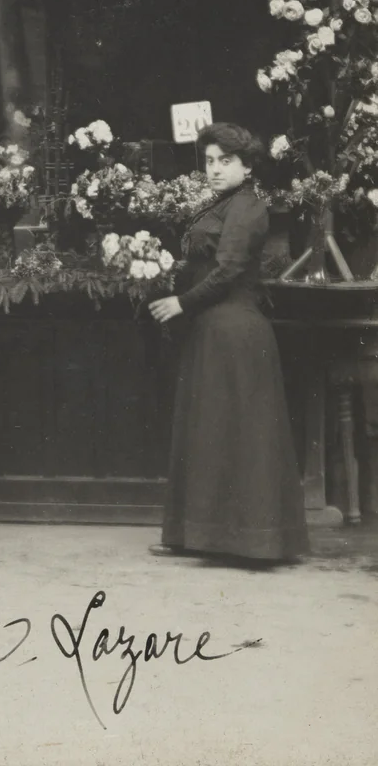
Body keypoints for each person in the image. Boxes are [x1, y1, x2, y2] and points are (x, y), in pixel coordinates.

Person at [148, 122, 309, 565]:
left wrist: (182, 302)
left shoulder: (249, 206)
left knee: (236, 433)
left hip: (235, 329)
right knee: (211, 431)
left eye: (226, 161)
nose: (215, 169)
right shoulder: (224, 203)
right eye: (210, 161)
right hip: (213, 328)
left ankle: (252, 541)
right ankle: (199, 536)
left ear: (247, 165)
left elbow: (230, 268)